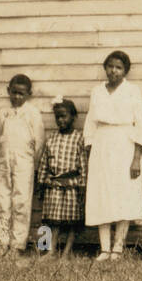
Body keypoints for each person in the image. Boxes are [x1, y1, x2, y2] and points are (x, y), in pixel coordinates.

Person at [83, 50, 142, 261]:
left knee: (123, 194)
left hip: (125, 145)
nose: (114, 71)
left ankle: (118, 247)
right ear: (105, 67)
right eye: (111, 66)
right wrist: (90, 150)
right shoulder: (97, 91)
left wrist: (136, 157)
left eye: (119, 67)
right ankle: (104, 248)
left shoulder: (132, 91)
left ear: (125, 71)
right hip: (102, 145)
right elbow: (91, 123)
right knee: (102, 194)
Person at [0, 74, 44, 256]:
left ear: (28, 94)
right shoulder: (3, 113)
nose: (17, 97)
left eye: (21, 94)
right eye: (14, 93)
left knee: (21, 201)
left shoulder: (32, 113)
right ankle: (2, 242)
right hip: (5, 161)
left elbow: (38, 142)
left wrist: (33, 164)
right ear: (8, 91)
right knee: (2, 201)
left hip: (24, 162)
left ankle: (17, 244)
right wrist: (4, 157)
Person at [36, 98, 86, 258]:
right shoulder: (52, 138)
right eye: (57, 117)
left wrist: (83, 186)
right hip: (54, 185)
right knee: (51, 219)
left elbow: (83, 164)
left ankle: (66, 252)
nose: (60, 120)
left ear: (73, 117)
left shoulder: (79, 139)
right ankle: (49, 250)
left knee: (72, 221)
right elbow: (44, 162)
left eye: (64, 116)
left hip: (72, 185)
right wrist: (41, 183)